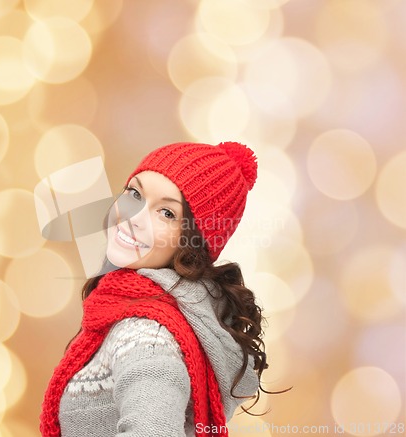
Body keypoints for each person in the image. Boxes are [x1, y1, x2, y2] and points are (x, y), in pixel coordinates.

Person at [40, 141, 269, 437]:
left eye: (167, 213)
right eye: (134, 193)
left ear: (193, 244)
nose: (133, 218)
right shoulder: (145, 310)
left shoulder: (147, 336)